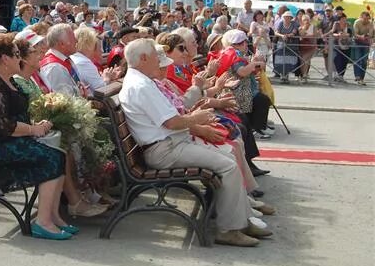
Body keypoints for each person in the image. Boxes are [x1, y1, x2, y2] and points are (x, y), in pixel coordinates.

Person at [118, 38, 270, 247]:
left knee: (228, 155)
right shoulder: (141, 85)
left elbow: (173, 118)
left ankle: (241, 220)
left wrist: (196, 119)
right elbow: (172, 122)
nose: (159, 60)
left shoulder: (141, 81)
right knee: (228, 165)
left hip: (170, 144)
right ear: (143, 58)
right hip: (165, 149)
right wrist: (197, 119)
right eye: (155, 56)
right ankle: (228, 229)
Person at [0, 34, 73, 240]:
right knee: (52, 158)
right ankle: (43, 222)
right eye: (16, 55)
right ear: (5, 59)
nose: (20, 59)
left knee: (60, 154)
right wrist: (33, 130)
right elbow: (3, 126)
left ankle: (52, 216)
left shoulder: (5, 79)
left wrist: (36, 126)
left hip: (4, 139)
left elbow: (13, 118)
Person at [70, 26, 121, 96]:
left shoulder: (75, 58)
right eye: (94, 45)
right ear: (88, 45)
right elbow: (101, 89)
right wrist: (107, 78)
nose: (101, 50)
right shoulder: (84, 62)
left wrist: (108, 77)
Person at [39, 23, 83, 97]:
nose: (76, 41)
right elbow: (63, 100)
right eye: (73, 38)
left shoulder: (64, 59)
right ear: (62, 44)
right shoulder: (54, 67)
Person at [352, 11, 374, 85]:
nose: (366, 21)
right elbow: (355, 34)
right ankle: (357, 76)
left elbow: (371, 34)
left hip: (366, 43)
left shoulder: (371, 23)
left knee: (364, 61)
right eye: (364, 19)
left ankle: (362, 77)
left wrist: (368, 36)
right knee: (358, 59)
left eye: (367, 19)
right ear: (361, 17)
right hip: (357, 42)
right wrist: (362, 36)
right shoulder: (357, 22)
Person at [297, 14, 317, 84]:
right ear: (302, 21)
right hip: (302, 47)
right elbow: (301, 35)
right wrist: (304, 29)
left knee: (305, 59)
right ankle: (303, 75)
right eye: (304, 20)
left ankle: (304, 75)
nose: (306, 21)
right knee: (303, 61)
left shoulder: (313, 27)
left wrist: (306, 35)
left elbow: (314, 36)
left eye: (307, 20)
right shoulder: (300, 28)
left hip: (311, 47)